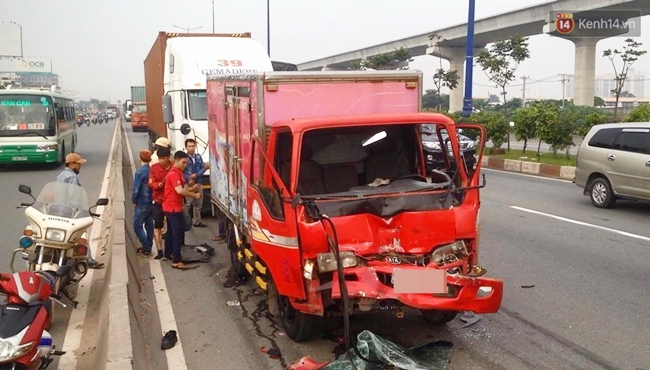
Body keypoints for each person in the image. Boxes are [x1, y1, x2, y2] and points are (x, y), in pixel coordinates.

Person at [56, 153, 104, 269]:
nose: (80, 167)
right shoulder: (72, 177)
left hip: (59, 210)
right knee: (81, 235)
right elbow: (74, 197)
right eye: (78, 164)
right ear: (72, 164)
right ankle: (88, 260)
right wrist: (81, 211)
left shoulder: (61, 175)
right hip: (71, 211)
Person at [163, 151, 201, 269]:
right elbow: (179, 191)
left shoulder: (178, 172)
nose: (185, 165)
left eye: (186, 163)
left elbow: (180, 190)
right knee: (177, 234)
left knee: (170, 233)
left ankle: (168, 253)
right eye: (183, 162)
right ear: (176, 161)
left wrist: (191, 189)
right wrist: (193, 195)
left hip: (170, 207)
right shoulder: (174, 174)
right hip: (173, 208)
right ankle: (176, 260)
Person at [148, 146, 172, 260]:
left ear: (168, 157)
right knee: (157, 226)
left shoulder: (173, 168)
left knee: (171, 227)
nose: (162, 161)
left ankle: (169, 251)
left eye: (164, 158)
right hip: (158, 201)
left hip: (170, 201)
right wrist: (159, 185)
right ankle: (160, 251)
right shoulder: (154, 168)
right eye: (160, 158)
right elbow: (151, 183)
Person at [132, 150, 155, 256]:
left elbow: (136, 189)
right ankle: (149, 245)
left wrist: (134, 200)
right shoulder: (152, 171)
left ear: (140, 158)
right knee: (149, 224)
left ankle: (146, 246)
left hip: (142, 201)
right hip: (152, 201)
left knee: (137, 225)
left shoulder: (140, 172)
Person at [183, 138, 209, 228]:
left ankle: (197, 221)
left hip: (198, 182)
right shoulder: (184, 158)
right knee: (188, 204)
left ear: (195, 146)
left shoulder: (198, 157)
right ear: (186, 147)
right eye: (189, 146)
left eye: (193, 146)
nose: (191, 148)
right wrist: (188, 179)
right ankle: (185, 221)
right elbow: (182, 171)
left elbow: (203, 168)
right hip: (188, 183)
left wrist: (196, 175)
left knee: (198, 204)